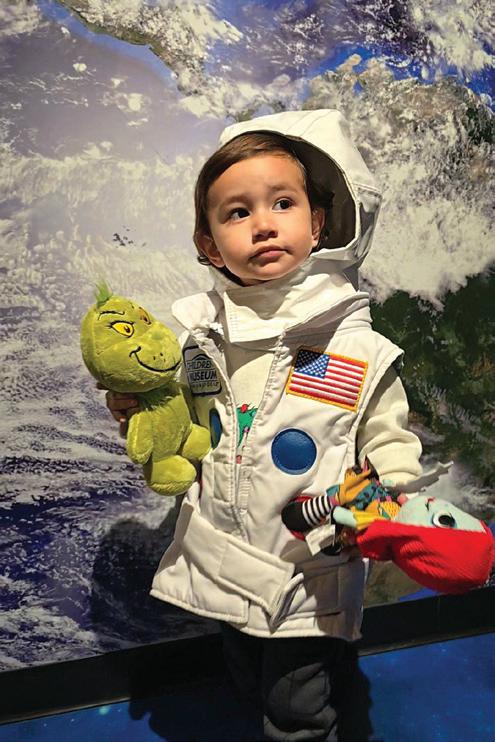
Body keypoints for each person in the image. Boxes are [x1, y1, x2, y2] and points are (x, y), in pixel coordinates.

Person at [104, 110, 424, 741]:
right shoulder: (202, 335)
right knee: (245, 671)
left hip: (308, 566)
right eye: (237, 212)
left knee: (295, 707)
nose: (264, 224)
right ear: (209, 246)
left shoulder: (352, 347)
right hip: (222, 557)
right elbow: (190, 427)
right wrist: (143, 413)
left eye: (282, 203)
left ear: (318, 223)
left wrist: (379, 510)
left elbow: (390, 446)